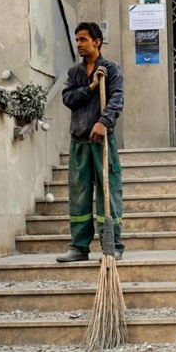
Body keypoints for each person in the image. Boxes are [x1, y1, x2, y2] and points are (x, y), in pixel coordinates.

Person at [57, 22, 125, 263]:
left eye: (83, 39)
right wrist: (92, 86)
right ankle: (79, 247)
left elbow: (117, 99)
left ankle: (112, 246)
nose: (78, 44)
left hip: (102, 143)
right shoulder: (75, 73)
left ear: (97, 42)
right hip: (79, 141)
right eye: (77, 40)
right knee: (79, 196)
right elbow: (68, 99)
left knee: (108, 192)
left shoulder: (111, 69)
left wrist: (103, 122)